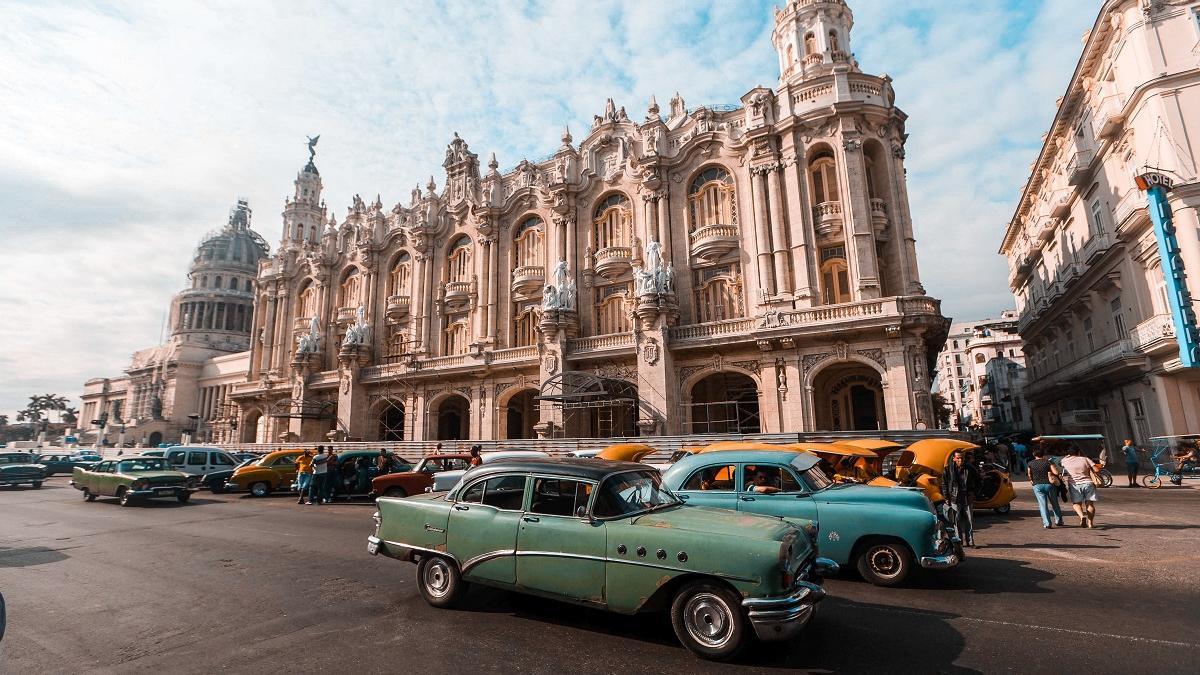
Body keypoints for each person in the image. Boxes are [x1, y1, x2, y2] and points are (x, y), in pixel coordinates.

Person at [941, 450, 979, 547]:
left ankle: (970, 542)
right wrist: (946, 497)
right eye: (958, 458)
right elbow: (944, 484)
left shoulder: (970, 468)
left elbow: (979, 480)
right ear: (954, 458)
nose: (960, 460)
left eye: (962, 457)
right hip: (955, 498)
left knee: (969, 521)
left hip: (967, 498)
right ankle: (959, 542)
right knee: (956, 521)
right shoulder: (948, 469)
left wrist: (974, 493)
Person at [1060, 445, 1098, 527]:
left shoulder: (1064, 460)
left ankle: (1082, 516)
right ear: (1079, 452)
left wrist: (1067, 456)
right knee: (1090, 504)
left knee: (1076, 503)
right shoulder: (1085, 459)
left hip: (1074, 484)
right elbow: (1096, 470)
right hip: (1088, 482)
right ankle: (1090, 523)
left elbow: (1061, 464)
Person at [1026, 448, 1064, 528]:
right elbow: (1056, 472)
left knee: (1043, 505)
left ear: (1034, 455)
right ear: (1043, 454)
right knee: (1055, 503)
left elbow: (1029, 474)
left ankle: (1047, 523)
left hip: (1037, 485)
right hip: (1049, 484)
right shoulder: (1048, 462)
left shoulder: (1030, 463)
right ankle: (1059, 521)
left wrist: (1032, 481)